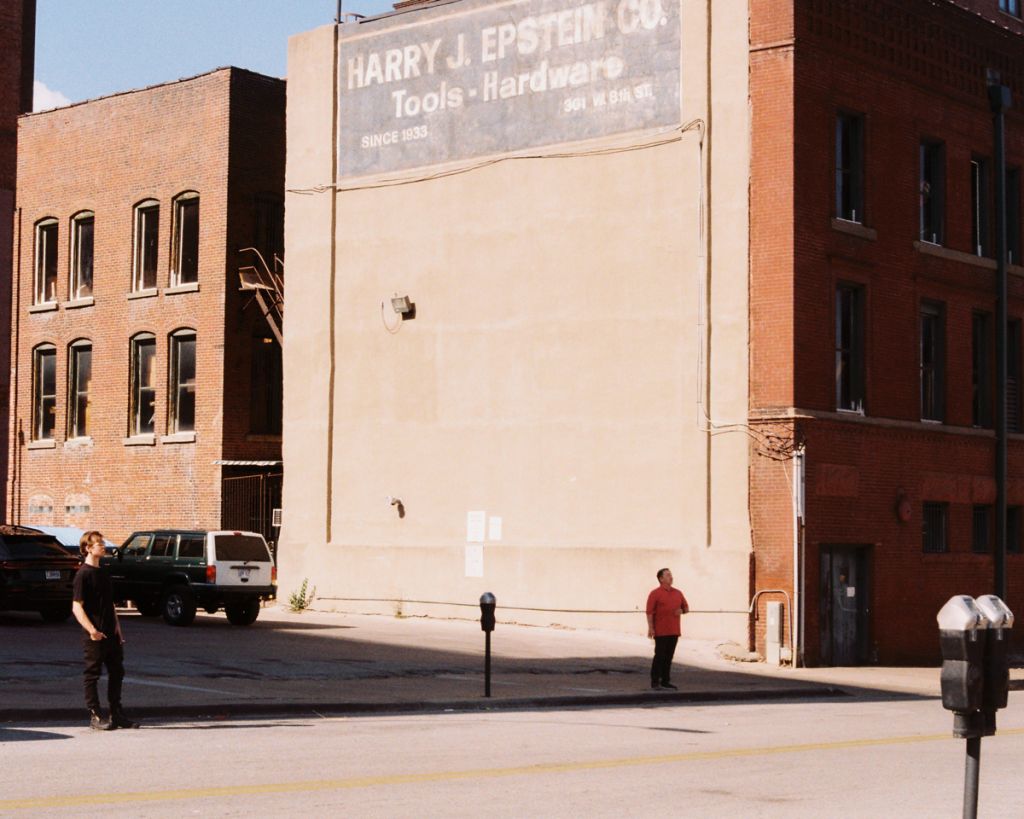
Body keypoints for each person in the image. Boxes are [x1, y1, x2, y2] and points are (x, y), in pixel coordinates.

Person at [71, 530, 139, 730]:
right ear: (87, 548)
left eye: (102, 542)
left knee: (117, 671)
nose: (103, 545)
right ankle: (95, 715)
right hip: (95, 633)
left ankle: (116, 713)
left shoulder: (103, 573)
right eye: (98, 543)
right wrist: (92, 630)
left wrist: (117, 627)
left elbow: (109, 604)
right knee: (92, 674)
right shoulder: (83, 575)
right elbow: (76, 607)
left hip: (111, 632)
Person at [645, 567, 689, 690]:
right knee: (659, 656)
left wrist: (682, 611)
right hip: (661, 631)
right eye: (668, 575)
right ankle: (655, 681)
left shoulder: (678, 593)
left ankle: (665, 680)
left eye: (671, 575)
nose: (671, 577)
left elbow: (686, 608)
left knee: (669, 656)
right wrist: (651, 628)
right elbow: (649, 612)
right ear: (661, 579)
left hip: (674, 630)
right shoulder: (655, 593)